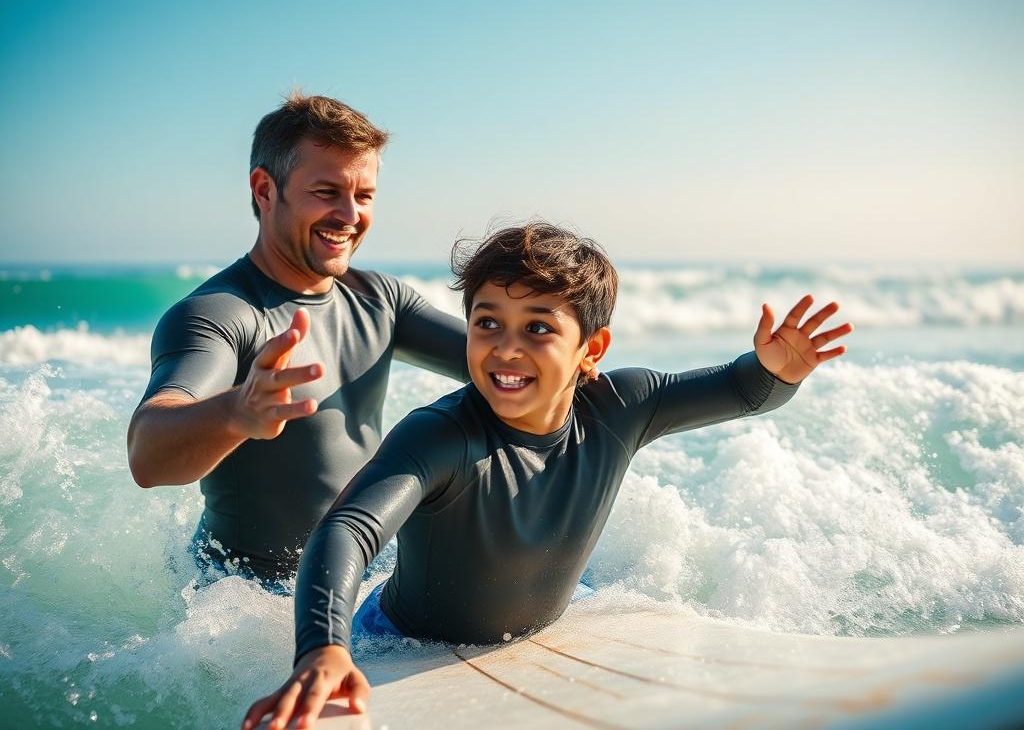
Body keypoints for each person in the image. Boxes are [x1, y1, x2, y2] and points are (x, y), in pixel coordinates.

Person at [242, 222, 853, 730]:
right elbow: (348, 529)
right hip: (402, 639)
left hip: (563, 605)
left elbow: (743, 390)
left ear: (592, 349)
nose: (505, 349)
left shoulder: (623, 404)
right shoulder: (441, 433)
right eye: (487, 323)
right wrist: (323, 646)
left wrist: (779, 370)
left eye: (538, 327)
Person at [126, 93, 469, 584]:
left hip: (365, 574)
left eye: (364, 196)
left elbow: (496, 363)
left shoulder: (381, 300)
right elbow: (146, 455)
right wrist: (237, 411)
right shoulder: (220, 315)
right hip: (253, 600)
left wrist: (569, 357)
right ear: (265, 190)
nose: (351, 216)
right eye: (327, 192)